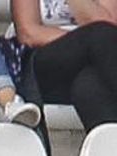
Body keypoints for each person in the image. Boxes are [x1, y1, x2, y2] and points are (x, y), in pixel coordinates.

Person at [10, 0, 117, 129]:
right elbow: (28, 34)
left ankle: (108, 148)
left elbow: (109, 25)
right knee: (100, 35)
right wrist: (79, 41)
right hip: (47, 60)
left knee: (88, 86)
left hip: (97, 60)